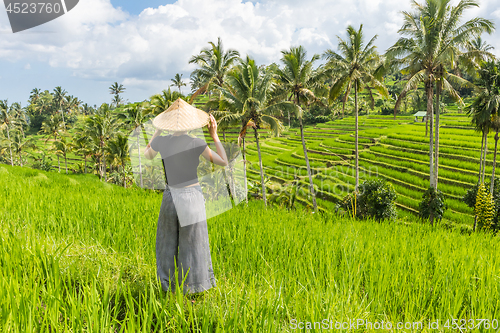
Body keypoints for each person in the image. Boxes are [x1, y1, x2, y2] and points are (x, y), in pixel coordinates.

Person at [144, 103, 228, 296]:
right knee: (194, 245)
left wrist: (157, 132)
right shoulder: (197, 142)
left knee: (166, 244)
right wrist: (214, 135)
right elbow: (222, 161)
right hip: (192, 199)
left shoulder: (162, 142)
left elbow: (147, 155)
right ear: (190, 124)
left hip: (170, 197)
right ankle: (191, 291)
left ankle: (166, 289)